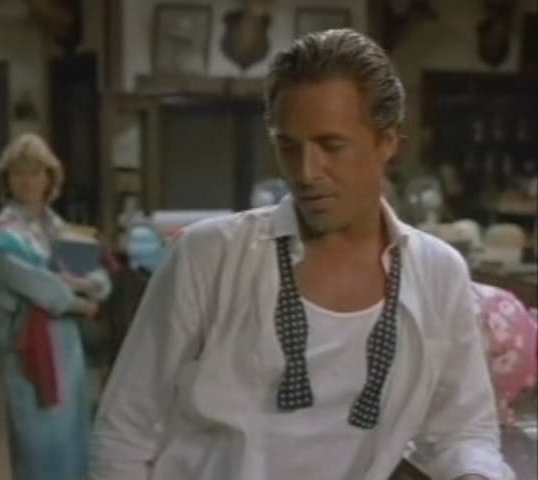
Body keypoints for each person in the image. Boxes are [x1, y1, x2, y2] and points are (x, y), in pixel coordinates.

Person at [89, 29, 514, 480]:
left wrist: (474, 474)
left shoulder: (436, 272)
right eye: (288, 146)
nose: (306, 172)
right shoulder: (209, 256)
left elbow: (462, 430)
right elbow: (124, 431)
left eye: (331, 146)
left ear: (387, 142)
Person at [0, 133, 111, 480]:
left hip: (67, 343)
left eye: (35, 172)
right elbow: (44, 289)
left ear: (49, 178)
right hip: (30, 343)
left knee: (73, 431)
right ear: (6, 180)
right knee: (38, 440)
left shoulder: (55, 224)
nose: (27, 181)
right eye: (18, 173)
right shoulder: (2, 236)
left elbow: (99, 279)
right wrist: (79, 299)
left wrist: (87, 286)